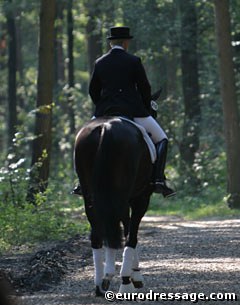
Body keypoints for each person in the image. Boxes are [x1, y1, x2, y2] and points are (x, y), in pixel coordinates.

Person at [73, 26, 175, 198]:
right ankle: (159, 180)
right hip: (132, 111)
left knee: (81, 141)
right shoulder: (134, 61)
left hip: (103, 111)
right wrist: (144, 105)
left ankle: (81, 183)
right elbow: (145, 88)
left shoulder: (100, 62)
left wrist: (102, 106)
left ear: (111, 42)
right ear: (126, 42)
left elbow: (92, 91)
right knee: (162, 138)